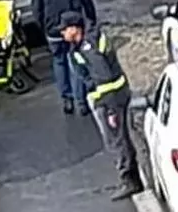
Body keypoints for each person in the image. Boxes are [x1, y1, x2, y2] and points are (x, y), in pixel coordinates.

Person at [60, 12, 144, 200]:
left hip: (109, 100)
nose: (62, 33)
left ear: (75, 29)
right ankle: (130, 177)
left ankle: (130, 179)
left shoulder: (88, 48)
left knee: (116, 140)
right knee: (119, 138)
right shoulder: (86, 44)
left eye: (65, 29)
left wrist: (111, 109)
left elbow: (105, 79)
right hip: (113, 97)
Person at [31, 0, 98, 115]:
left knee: (59, 61)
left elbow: (36, 9)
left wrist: (44, 27)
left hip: (53, 31)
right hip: (73, 28)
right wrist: (90, 22)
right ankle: (82, 102)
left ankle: (67, 99)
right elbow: (86, 2)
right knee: (76, 62)